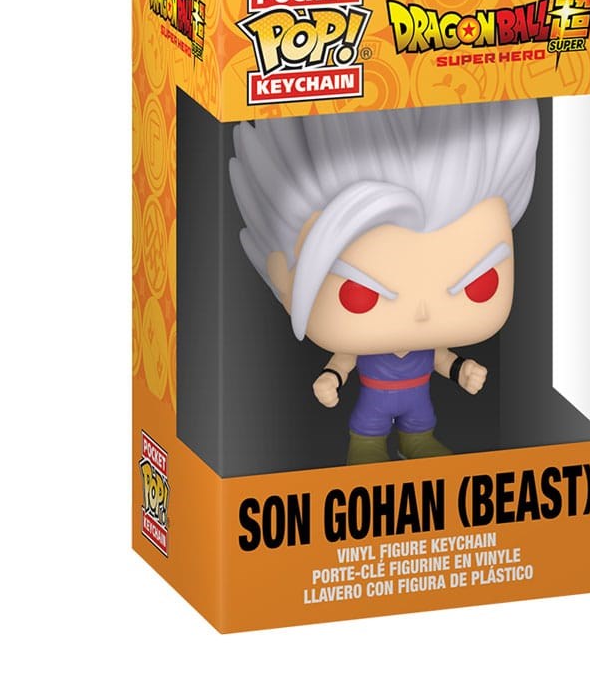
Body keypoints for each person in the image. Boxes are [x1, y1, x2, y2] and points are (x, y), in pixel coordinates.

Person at [229, 99, 540, 464]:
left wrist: (462, 371)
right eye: (360, 295)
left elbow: (443, 360)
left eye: (480, 285)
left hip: (419, 408)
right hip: (371, 411)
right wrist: (330, 379)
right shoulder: (361, 348)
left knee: (421, 429)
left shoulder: (428, 346)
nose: (422, 312)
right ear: (284, 277)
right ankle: (367, 448)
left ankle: (416, 442)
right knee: (369, 436)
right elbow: (341, 365)